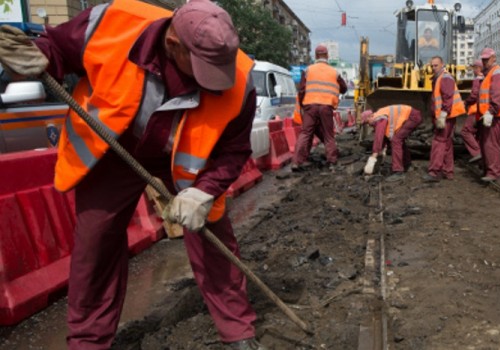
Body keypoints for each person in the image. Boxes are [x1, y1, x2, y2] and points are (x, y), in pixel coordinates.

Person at [0, 1, 265, 349]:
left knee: (213, 236)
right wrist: (38, 56)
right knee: (96, 244)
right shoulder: (111, 23)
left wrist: (204, 192)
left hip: (184, 159)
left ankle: (237, 331)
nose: (217, 79)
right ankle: (88, 342)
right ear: (172, 45)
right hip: (113, 148)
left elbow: (234, 150)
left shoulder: (240, 79)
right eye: (203, 68)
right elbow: (59, 48)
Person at [292, 45, 347, 172]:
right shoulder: (334, 72)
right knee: (328, 135)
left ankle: (297, 161)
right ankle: (332, 161)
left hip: (310, 106)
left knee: (305, 133)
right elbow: (343, 88)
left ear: (316, 56)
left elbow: (302, 90)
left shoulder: (308, 70)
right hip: (326, 106)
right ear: (327, 56)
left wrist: (302, 105)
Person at [423, 56, 466, 182]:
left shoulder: (445, 78)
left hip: (446, 116)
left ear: (442, 64)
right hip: (448, 115)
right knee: (446, 143)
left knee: (439, 142)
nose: (433, 68)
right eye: (432, 65)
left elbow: (448, 97)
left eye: (435, 65)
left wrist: (443, 115)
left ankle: (434, 172)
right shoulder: (439, 78)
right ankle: (448, 172)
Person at [362, 105, 423, 182]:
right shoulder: (379, 116)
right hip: (412, 115)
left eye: (367, 122)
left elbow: (379, 136)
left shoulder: (379, 119)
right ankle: (407, 164)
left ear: (370, 116)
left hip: (412, 117)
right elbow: (384, 137)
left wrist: (374, 154)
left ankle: (398, 172)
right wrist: (380, 151)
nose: (368, 125)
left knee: (396, 140)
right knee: (397, 140)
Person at [478, 48, 500, 182]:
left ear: (494, 58)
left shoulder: (496, 73)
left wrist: (491, 111)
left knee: (491, 143)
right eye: (483, 59)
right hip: (490, 114)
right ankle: (490, 170)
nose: (484, 62)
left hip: (495, 114)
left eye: (487, 59)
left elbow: (497, 95)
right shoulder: (490, 73)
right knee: (488, 142)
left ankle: (494, 172)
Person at [461, 60, 484, 163]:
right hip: (484, 111)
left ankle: (477, 153)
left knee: (465, 131)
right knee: (479, 134)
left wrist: (466, 102)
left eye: (474, 68)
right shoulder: (487, 78)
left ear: (478, 68)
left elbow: (474, 95)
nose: (473, 70)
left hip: (475, 110)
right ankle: (483, 159)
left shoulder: (477, 80)